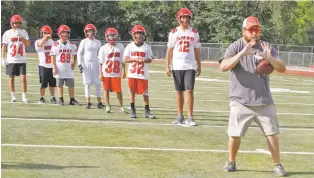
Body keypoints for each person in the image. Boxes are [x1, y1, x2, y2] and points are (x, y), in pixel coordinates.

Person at [219, 16, 288, 177]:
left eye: (256, 29)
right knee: (235, 134)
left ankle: (278, 165)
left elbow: (282, 68)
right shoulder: (235, 46)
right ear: (244, 31)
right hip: (240, 100)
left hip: (263, 100)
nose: (254, 33)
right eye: (251, 30)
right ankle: (231, 161)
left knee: (272, 133)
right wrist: (243, 53)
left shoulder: (266, 47)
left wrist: (269, 58)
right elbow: (223, 66)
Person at [165, 8, 201, 126]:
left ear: (190, 19)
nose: (185, 19)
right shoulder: (174, 32)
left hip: (189, 65)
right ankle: (180, 116)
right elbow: (169, 50)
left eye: (187, 17)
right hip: (177, 65)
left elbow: (197, 50)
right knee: (178, 91)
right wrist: (167, 65)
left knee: (189, 91)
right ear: (179, 18)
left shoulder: (194, 32)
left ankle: (190, 117)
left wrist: (199, 65)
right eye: (183, 17)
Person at [123, 25, 155, 119]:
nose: (138, 36)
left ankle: (147, 111)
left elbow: (150, 59)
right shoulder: (130, 46)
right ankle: (133, 111)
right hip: (132, 74)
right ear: (133, 35)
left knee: (145, 93)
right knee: (132, 92)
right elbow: (125, 60)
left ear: (143, 35)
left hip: (142, 74)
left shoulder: (146, 47)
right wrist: (134, 59)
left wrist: (143, 60)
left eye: (140, 34)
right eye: (136, 34)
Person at [1, 14, 31, 103]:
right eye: (15, 23)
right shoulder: (7, 33)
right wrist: (2, 58)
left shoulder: (24, 32)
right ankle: (13, 96)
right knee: (11, 78)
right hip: (11, 59)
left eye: (18, 23)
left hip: (21, 59)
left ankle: (24, 97)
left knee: (23, 78)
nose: (17, 25)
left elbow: (28, 44)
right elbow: (3, 46)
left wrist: (21, 37)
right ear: (12, 24)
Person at [98, 27, 127, 113]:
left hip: (116, 73)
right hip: (106, 72)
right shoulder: (103, 48)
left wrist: (124, 71)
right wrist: (100, 73)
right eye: (110, 36)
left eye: (114, 35)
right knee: (106, 89)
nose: (112, 38)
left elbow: (123, 60)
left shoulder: (120, 46)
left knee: (118, 90)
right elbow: (100, 62)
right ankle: (107, 105)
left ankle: (121, 106)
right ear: (107, 37)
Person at [50, 24, 79, 106]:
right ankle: (60, 99)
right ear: (59, 33)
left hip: (68, 67)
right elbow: (53, 56)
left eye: (66, 33)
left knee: (71, 84)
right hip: (60, 67)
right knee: (60, 84)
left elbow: (75, 54)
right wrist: (54, 68)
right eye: (63, 33)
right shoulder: (56, 44)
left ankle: (72, 99)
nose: (65, 34)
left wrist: (74, 63)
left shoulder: (72, 44)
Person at [77, 24, 104, 109]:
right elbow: (79, 53)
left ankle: (99, 102)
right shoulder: (83, 41)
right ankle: (88, 102)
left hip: (95, 64)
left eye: (92, 31)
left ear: (94, 32)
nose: (90, 33)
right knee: (87, 84)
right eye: (89, 31)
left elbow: (100, 55)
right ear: (86, 32)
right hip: (86, 64)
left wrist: (102, 65)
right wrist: (79, 64)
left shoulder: (98, 42)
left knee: (98, 83)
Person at [35, 25, 57, 104]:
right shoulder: (38, 41)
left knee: (52, 83)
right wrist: (45, 37)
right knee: (43, 83)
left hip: (51, 65)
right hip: (43, 65)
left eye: (45, 33)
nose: (43, 34)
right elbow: (39, 45)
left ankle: (52, 97)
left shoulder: (53, 42)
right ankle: (42, 97)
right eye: (43, 33)